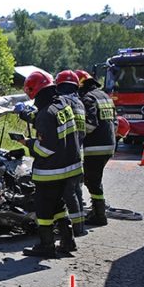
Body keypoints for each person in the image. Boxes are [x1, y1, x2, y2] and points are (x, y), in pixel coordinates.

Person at [16, 71, 82, 258]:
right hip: (69, 168)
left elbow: (45, 149)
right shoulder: (63, 106)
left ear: (33, 90)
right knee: (59, 206)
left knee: (44, 209)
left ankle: (46, 246)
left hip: (51, 172)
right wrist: (31, 118)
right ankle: (68, 242)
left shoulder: (45, 114)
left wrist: (27, 142)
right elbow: (56, 132)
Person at [75, 69, 117, 227]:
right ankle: (98, 211)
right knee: (94, 179)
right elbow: (115, 121)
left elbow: (90, 125)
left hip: (96, 147)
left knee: (91, 180)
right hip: (109, 144)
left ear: (81, 85)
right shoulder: (104, 96)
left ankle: (99, 215)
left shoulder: (88, 98)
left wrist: (74, 132)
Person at [56, 70, 87, 236]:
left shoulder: (64, 101)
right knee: (77, 191)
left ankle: (74, 229)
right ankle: (80, 226)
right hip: (77, 151)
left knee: (68, 193)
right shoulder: (79, 103)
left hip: (66, 154)